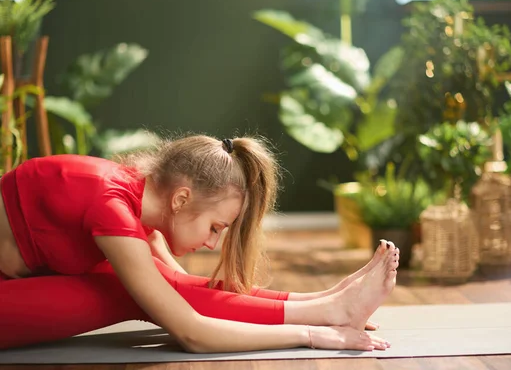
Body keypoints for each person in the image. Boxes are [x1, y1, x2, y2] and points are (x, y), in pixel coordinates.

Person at [0, 134, 399, 352]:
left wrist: (318, 303)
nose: (212, 244)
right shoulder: (111, 207)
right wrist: (311, 335)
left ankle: (325, 305)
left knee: (157, 289)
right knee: (135, 293)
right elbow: (190, 332)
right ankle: (325, 311)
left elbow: (180, 293)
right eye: (215, 227)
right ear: (181, 200)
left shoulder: (139, 201)